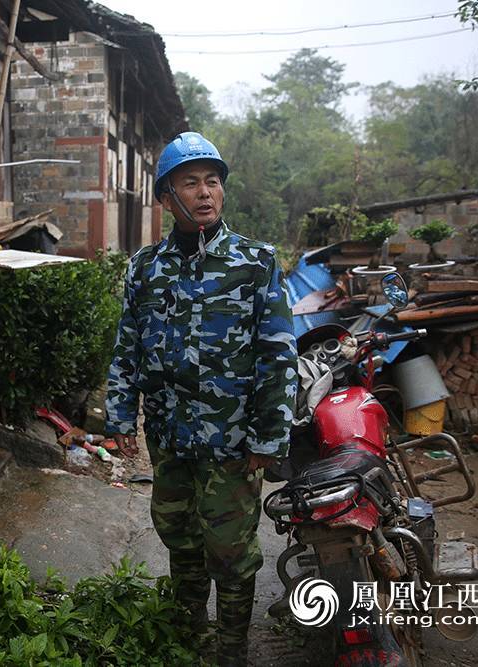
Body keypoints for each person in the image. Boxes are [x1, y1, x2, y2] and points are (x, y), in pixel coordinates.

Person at [105, 131, 297, 665]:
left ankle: (232, 649)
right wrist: (119, 414)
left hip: (232, 442)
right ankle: (187, 636)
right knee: (179, 537)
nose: (205, 192)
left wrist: (269, 438)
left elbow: (278, 355)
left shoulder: (256, 263)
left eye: (213, 181)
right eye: (191, 182)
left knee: (232, 553)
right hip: (167, 436)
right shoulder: (146, 267)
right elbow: (127, 344)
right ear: (167, 196)